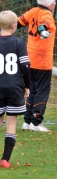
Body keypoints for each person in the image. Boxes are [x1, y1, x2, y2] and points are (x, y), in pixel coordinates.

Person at [18, 0, 57, 132]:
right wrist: (42, 31)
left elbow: (18, 22)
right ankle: (36, 121)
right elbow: (43, 24)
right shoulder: (47, 14)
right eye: (53, 1)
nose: (55, 3)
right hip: (42, 60)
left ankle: (27, 121)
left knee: (32, 89)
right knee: (42, 91)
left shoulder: (32, 11)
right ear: (48, 3)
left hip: (29, 59)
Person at [0, 10, 30, 168]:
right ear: (14, 26)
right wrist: (27, 86)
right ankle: (5, 160)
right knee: (11, 124)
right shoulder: (18, 43)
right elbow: (25, 66)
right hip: (14, 87)